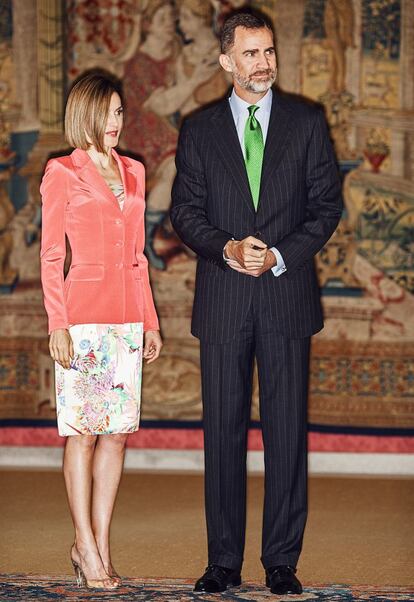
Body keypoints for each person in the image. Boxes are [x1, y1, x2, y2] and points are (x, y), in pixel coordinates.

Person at [171, 12, 343, 596]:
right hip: (222, 301)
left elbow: (326, 208)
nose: (263, 63)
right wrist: (225, 247)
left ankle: (281, 561)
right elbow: (185, 213)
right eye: (250, 53)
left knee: (286, 433)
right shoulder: (197, 130)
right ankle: (222, 560)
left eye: (268, 51)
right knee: (222, 433)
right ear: (226, 61)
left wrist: (277, 256)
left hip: (286, 297)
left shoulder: (307, 122)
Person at [40, 72, 162, 590]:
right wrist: (58, 324)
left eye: (119, 112)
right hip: (82, 318)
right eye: (110, 112)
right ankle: (82, 544)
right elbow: (50, 256)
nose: (118, 121)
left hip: (126, 320)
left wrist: (150, 320)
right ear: (86, 112)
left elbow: (138, 255)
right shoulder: (61, 172)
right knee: (83, 434)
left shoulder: (133, 171)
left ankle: (101, 545)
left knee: (116, 436)